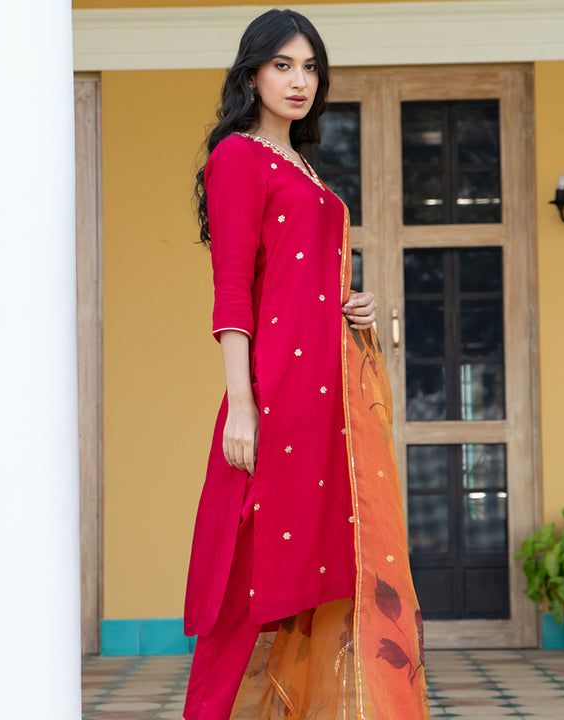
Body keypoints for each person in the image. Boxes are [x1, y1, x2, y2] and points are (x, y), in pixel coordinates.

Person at [183, 9, 429, 720]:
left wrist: (353, 303)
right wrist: (242, 406)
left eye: (310, 67)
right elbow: (233, 287)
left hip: (330, 402)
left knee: (330, 575)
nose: (298, 81)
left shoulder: (304, 168)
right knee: (243, 583)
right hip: (277, 394)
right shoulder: (238, 156)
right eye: (282, 65)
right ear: (252, 73)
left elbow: (297, 277)